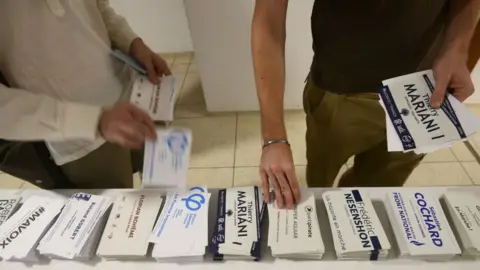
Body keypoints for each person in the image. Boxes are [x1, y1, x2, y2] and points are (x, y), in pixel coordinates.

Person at [252, 0, 479, 208]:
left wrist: (456, 50)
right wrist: (274, 138)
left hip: (421, 90)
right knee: (319, 184)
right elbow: (269, 17)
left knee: (373, 192)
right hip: (341, 88)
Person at [0, 0, 171, 188]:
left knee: (170, 193)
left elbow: (100, 9)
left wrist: (132, 42)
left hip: (134, 91)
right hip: (77, 133)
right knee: (119, 213)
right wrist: (94, 121)